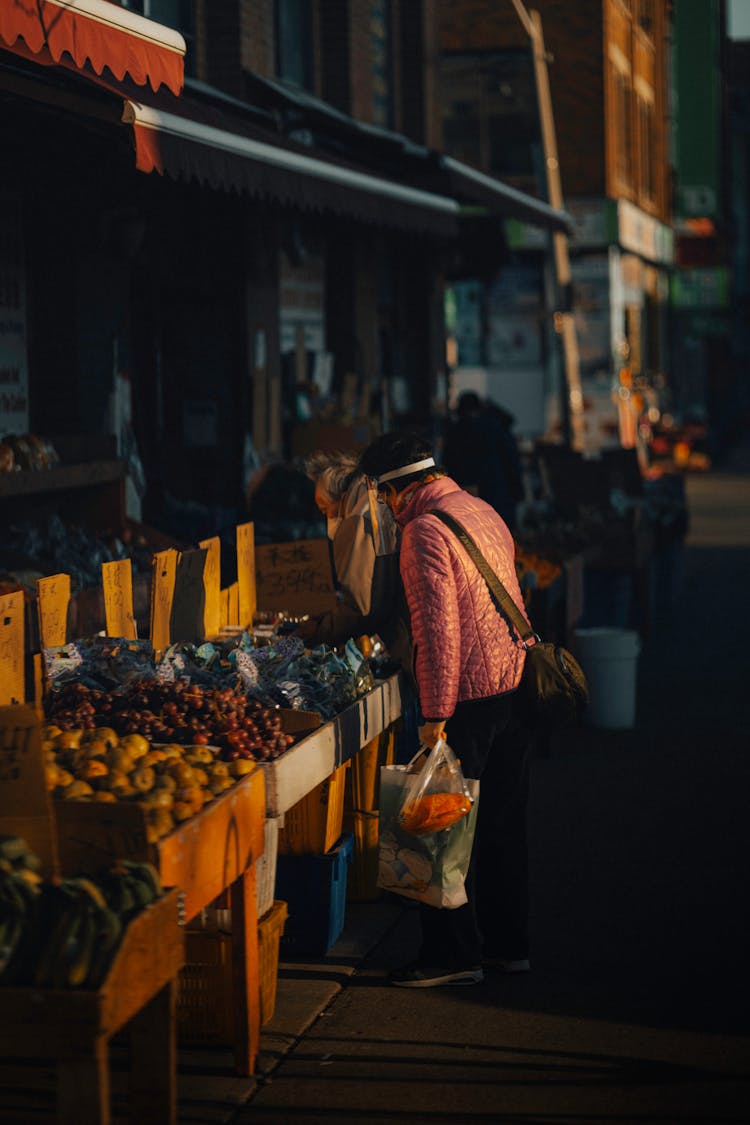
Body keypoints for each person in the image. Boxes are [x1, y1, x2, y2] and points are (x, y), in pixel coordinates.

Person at [359, 430, 533, 988]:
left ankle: (451, 955)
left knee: (440, 828)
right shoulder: (480, 509)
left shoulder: (423, 532)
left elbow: (437, 634)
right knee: (503, 827)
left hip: (471, 698)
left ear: (395, 490)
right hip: (517, 685)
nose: (385, 509)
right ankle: (509, 946)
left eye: (382, 498)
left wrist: (434, 717)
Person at [297, 451, 404, 652]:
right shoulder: (375, 502)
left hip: (401, 638)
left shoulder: (356, 520)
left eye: (324, 510)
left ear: (339, 497)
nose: (326, 518)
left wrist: (317, 633)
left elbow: (360, 607)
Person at [442, 392, 524, 531]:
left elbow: (448, 466)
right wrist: (517, 491)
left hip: (466, 497)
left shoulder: (455, 432)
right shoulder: (497, 428)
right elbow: (512, 462)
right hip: (499, 493)